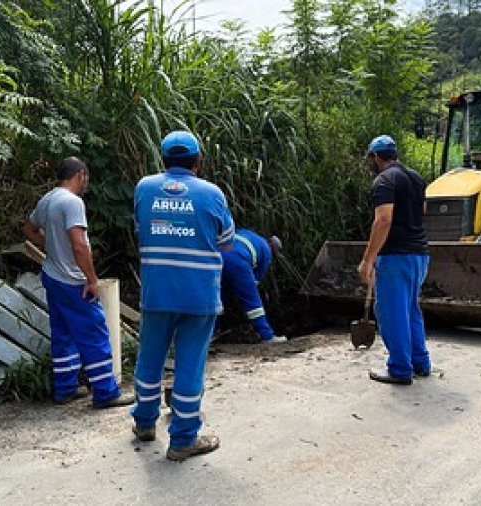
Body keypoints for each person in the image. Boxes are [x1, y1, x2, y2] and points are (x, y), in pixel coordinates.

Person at [130, 130, 236, 462]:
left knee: (149, 357)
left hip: (157, 290)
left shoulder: (144, 188)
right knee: (190, 363)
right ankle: (183, 440)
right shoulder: (212, 193)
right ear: (197, 161)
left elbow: (140, 229)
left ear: (163, 159)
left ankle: (145, 423)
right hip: (198, 294)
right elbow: (227, 241)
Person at [23, 157, 135, 409]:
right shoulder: (72, 202)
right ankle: (106, 393)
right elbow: (79, 244)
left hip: (52, 276)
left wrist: (51, 245)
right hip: (72, 279)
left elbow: (29, 229)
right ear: (80, 175)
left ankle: (65, 388)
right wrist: (92, 280)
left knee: (63, 333)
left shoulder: (48, 199)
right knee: (94, 332)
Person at [357, 135, 431, 386]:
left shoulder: (384, 180)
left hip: (396, 257)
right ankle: (420, 363)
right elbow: (422, 212)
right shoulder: (416, 178)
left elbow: (383, 220)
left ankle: (400, 369)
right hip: (419, 254)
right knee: (410, 309)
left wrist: (368, 260)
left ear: (376, 157)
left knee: (390, 313)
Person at [221, 228, 286, 343]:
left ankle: (210, 333)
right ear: (274, 250)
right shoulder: (267, 252)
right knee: (253, 302)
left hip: (218, 257)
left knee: (219, 298)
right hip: (238, 261)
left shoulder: (248, 234)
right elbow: (254, 283)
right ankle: (267, 336)